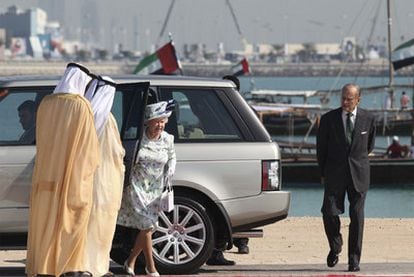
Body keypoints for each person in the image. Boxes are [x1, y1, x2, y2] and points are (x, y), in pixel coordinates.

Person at [26, 63, 100, 277]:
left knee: (46, 226)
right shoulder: (81, 106)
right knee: (71, 225)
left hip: (46, 178)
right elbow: (88, 150)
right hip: (74, 180)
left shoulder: (46, 104)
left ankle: (45, 268)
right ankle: (70, 267)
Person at [316, 83, 376, 272]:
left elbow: (369, 146)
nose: (345, 101)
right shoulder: (328, 119)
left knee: (357, 217)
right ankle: (335, 246)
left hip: (359, 174)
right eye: (342, 97)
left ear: (358, 99)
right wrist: (323, 173)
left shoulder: (368, 118)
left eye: (349, 99)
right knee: (329, 212)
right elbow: (321, 150)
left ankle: (354, 260)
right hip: (334, 173)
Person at [117, 101, 176, 276]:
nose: (160, 125)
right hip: (137, 186)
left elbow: (172, 156)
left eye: (163, 121)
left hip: (156, 188)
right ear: (148, 122)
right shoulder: (137, 139)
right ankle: (151, 268)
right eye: (157, 121)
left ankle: (130, 261)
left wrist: (171, 168)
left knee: (147, 227)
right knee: (148, 225)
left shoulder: (168, 139)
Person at [83, 76, 126, 276]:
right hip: (106, 181)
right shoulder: (107, 119)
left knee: (85, 225)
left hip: (85, 179)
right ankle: (97, 267)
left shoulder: (84, 114)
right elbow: (117, 151)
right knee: (101, 227)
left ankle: (83, 265)